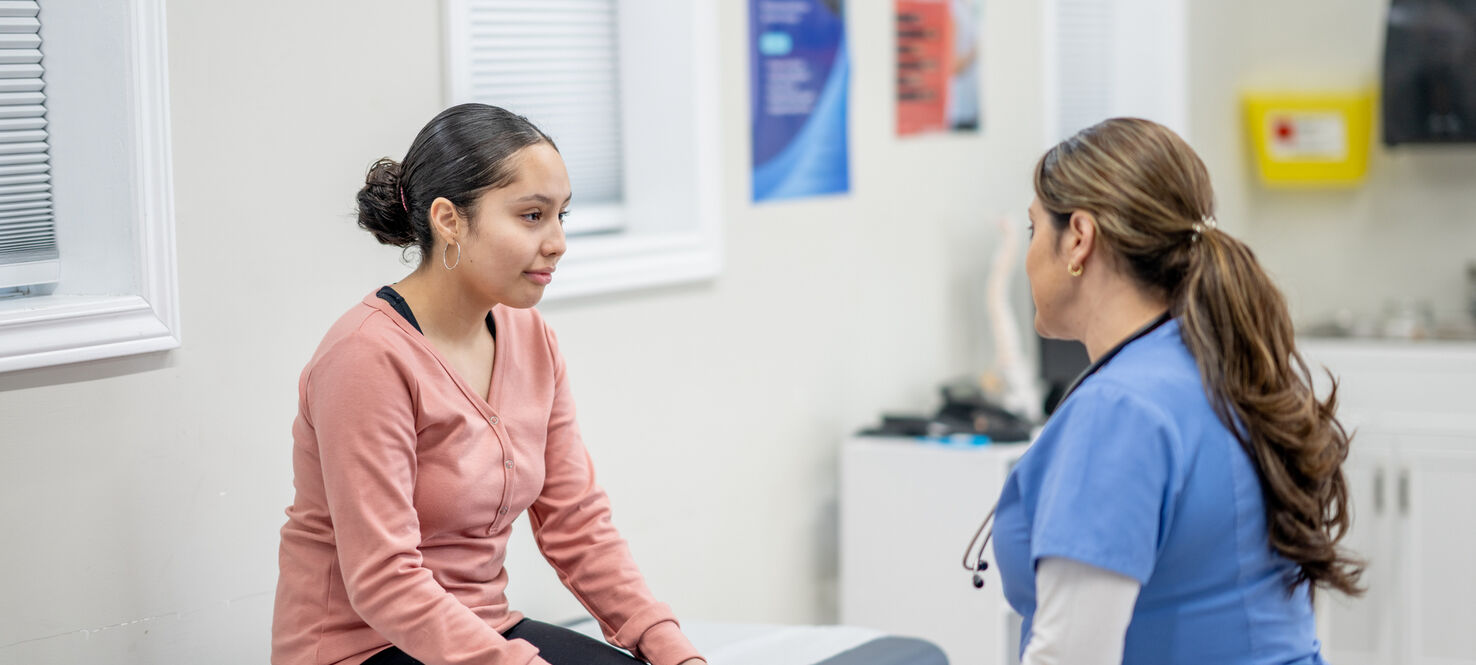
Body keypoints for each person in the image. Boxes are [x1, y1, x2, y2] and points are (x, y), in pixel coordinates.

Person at [272, 103, 705, 665]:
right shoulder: (365, 357)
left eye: (561, 217)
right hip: (361, 648)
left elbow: (577, 524)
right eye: (531, 216)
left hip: (484, 629)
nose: (557, 243)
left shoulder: (531, 339)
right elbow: (384, 579)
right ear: (449, 219)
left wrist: (668, 646)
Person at [990, 117, 1363, 665]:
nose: (1027, 256)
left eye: (1033, 231)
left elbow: (1071, 654)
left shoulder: (1118, 412)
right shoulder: (1227, 364)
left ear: (1079, 239)